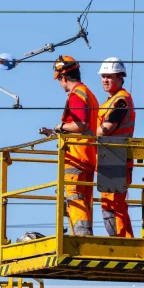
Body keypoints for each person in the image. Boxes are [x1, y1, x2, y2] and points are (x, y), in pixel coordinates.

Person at [40, 55, 100, 236]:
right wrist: (55, 132)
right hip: (89, 155)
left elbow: (80, 124)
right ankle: (80, 234)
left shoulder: (76, 95)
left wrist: (60, 127)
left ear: (63, 78)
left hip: (76, 155)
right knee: (84, 199)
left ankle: (82, 238)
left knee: (74, 196)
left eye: (59, 80)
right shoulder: (89, 94)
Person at [95, 57, 135, 238]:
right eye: (103, 76)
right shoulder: (109, 102)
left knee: (114, 204)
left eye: (109, 76)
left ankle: (123, 241)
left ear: (120, 78)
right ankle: (124, 240)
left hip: (116, 157)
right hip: (109, 158)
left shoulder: (121, 101)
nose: (105, 80)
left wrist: (85, 133)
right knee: (111, 204)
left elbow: (106, 129)